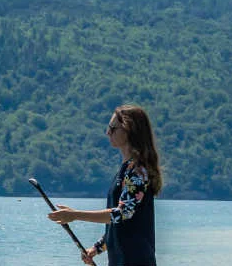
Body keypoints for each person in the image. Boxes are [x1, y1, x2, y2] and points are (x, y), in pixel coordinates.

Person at [47, 105, 161, 266]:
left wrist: (75, 215)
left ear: (129, 130)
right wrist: (97, 248)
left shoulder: (138, 171)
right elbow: (121, 223)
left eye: (113, 128)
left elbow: (122, 214)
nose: (108, 132)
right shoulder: (126, 170)